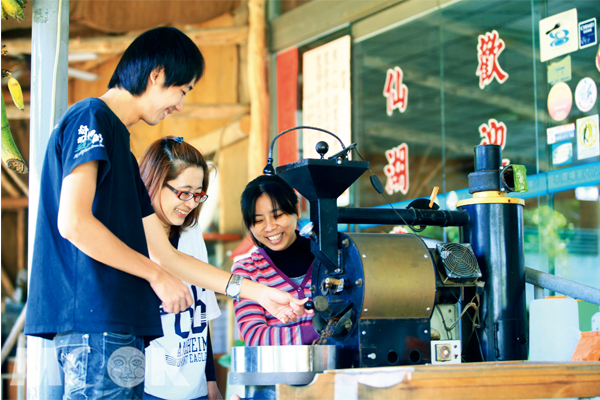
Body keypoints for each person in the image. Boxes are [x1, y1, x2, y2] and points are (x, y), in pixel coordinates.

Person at [23, 27, 306, 400]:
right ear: (157, 74)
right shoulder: (91, 117)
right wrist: (156, 276)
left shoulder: (122, 152)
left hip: (120, 325)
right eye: (183, 90)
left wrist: (259, 293)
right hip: (96, 322)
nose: (180, 105)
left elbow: (166, 255)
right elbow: (73, 223)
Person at [139, 137, 221, 400]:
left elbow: (202, 313)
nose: (190, 203)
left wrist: (210, 381)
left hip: (194, 388)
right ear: (153, 182)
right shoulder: (130, 239)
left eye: (198, 195)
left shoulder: (192, 232)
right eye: (184, 193)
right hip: (148, 388)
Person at [232, 175, 319, 346]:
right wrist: (322, 330)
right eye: (258, 220)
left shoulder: (328, 257)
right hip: (279, 373)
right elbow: (255, 337)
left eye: (278, 216)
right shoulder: (247, 270)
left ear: (296, 210)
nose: (270, 227)